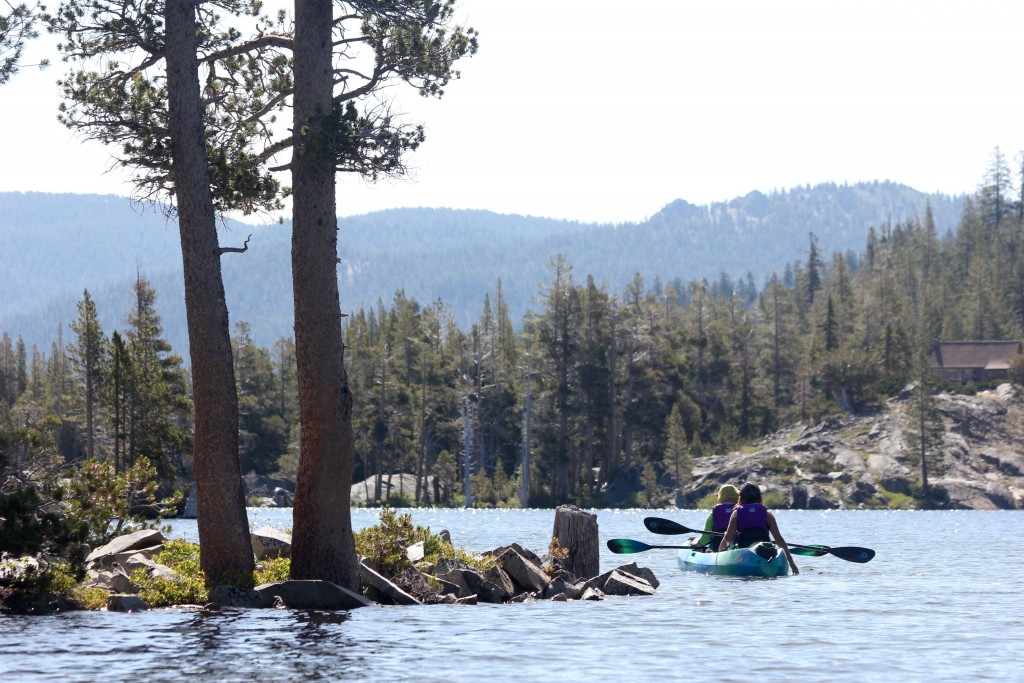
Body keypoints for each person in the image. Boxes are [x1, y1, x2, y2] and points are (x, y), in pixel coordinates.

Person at [718, 482, 799, 575]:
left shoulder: (736, 514)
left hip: (745, 557)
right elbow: (779, 539)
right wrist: (792, 564)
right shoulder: (767, 514)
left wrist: (725, 538)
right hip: (765, 555)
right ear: (759, 497)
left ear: (741, 497)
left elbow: (728, 539)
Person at [691, 484, 739, 550]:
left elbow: (705, 540)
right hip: (736, 548)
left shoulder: (713, 514)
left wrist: (694, 543)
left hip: (716, 548)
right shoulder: (741, 511)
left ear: (721, 496)